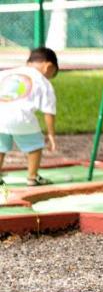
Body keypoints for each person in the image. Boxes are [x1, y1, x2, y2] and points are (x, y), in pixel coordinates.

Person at [0, 47, 60, 187]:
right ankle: (32, 177)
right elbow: (48, 112)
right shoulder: (44, 83)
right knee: (35, 145)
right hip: (21, 118)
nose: (49, 77)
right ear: (48, 66)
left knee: (0, 146)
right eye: (52, 74)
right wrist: (51, 134)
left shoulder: (6, 73)